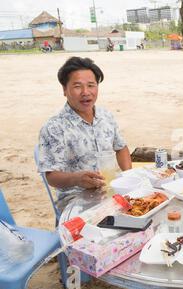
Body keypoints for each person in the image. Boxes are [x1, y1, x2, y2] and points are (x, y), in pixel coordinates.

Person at [38, 57, 132, 214]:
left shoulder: (105, 116)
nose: (86, 92)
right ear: (64, 89)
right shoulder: (54, 127)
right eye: (77, 86)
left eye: (91, 85)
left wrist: (128, 176)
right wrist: (76, 179)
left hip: (111, 190)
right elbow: (51, 175)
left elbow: (121, 148)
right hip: (76, 200)